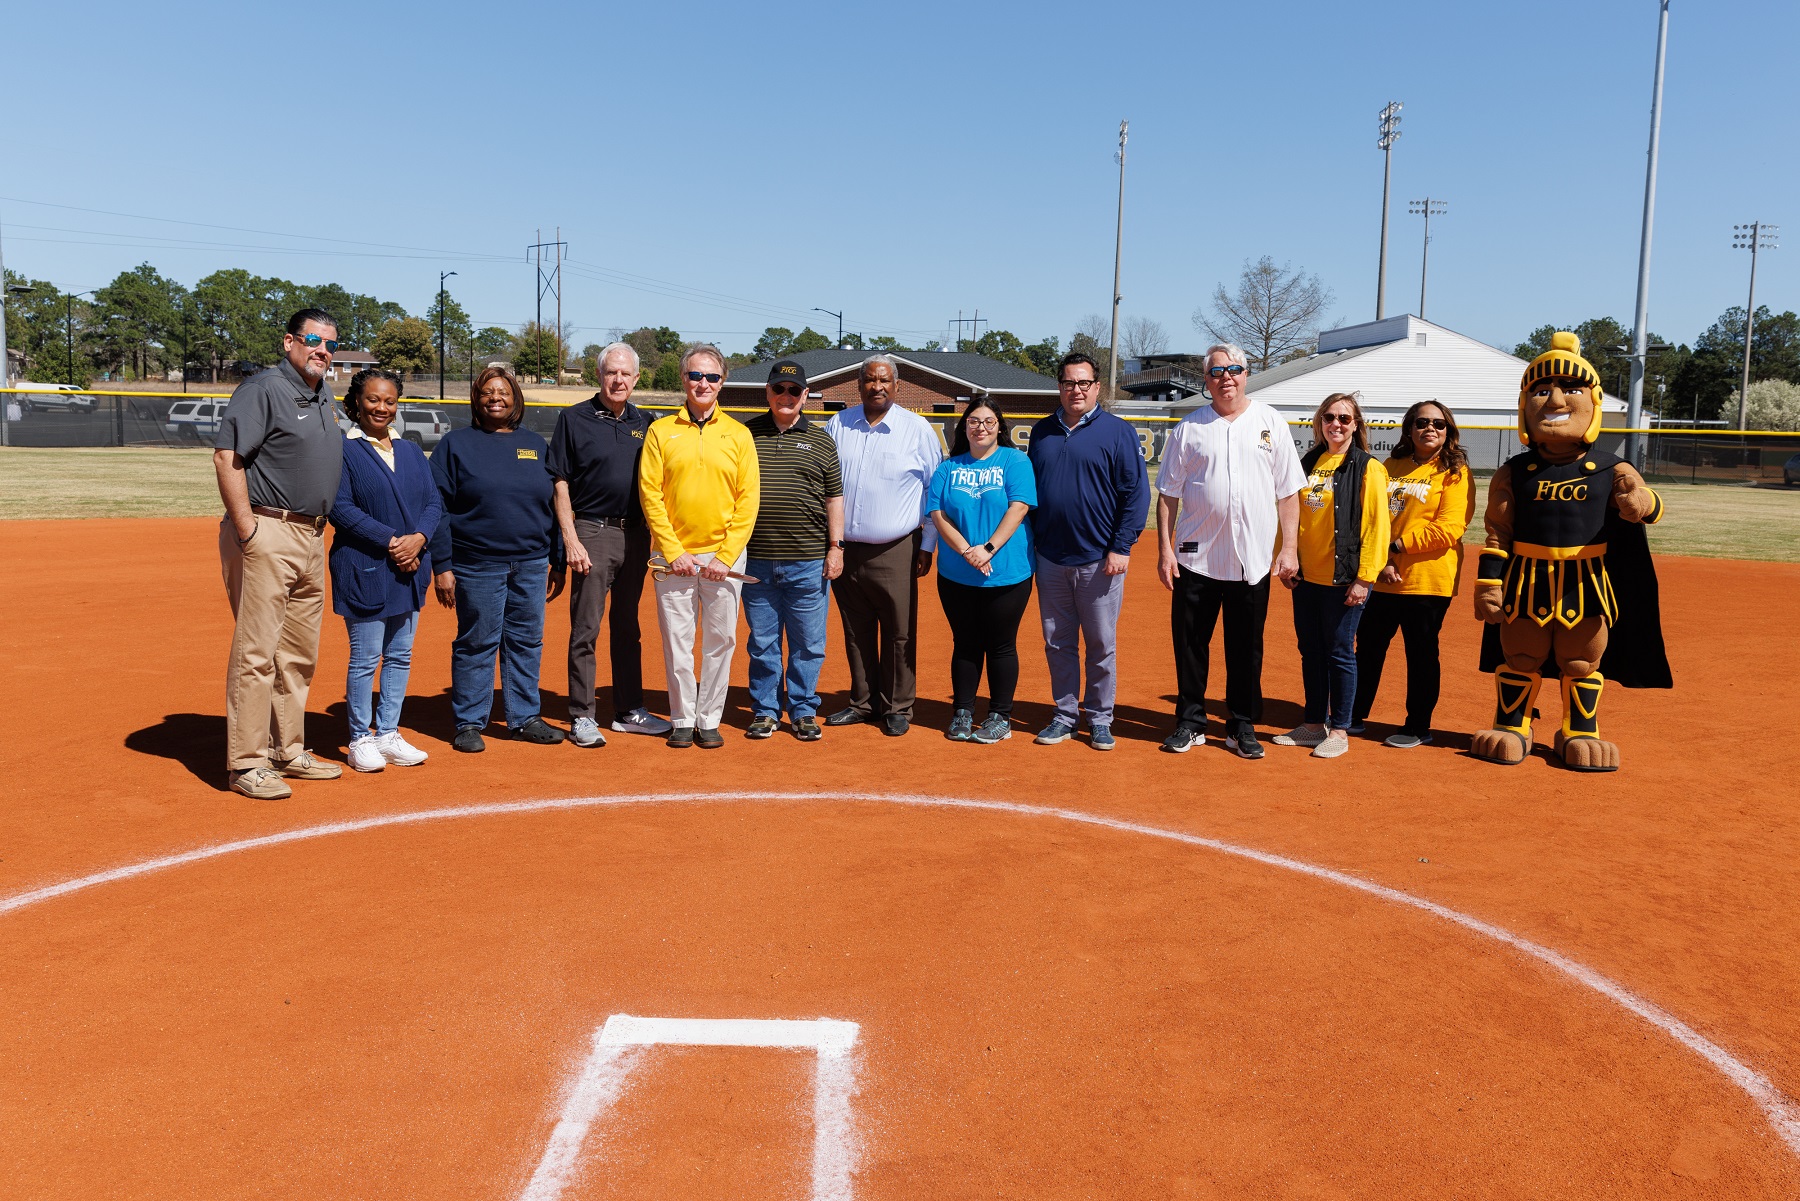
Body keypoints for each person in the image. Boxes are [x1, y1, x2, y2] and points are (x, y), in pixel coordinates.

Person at [212, 307, 346, 799]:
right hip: (269, 530)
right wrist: (249, 531)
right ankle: (245, 764)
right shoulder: (263, 389)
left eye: (330, 344)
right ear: (289, 340)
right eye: (313, 339)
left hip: (311, 536)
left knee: (297, 653)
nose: (322, 350)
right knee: (256, 653)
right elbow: (228, 459)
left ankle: (286, 750)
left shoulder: (320, 392)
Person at [1155, 343, 1305, 760]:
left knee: (1245, 648)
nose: (1227, 378)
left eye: (1234, 370)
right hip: (1195, 557)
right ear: (1206, 381)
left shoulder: (1270, 421)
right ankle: (1190, 722)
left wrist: (1288, 549)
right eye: (1217, 372)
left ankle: (1241, 725)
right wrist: (1165, 551)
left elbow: (1289, 492)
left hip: (1252, 560)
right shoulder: (1190, 427)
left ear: (1246, 374)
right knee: (1190, 645)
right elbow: (1167, 495)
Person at [428, 366, 566, 752]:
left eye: (503, 392)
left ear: (516, 398)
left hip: (532, 563)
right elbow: (436, 506)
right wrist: (443, 565)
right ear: (477, 398)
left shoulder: (535, 445)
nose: (495, 398)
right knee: (477, 642)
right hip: (477, 564)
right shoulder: (456, 445)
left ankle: (524, 718)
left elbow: (554, 503)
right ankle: (469, 722)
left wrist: (557, 558)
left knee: (526, 641)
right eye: (488, 392)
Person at [638, 344, 760, 748]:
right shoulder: (660, 431)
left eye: (711, 377)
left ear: (722, 382)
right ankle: (683, 719)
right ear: (683, 379)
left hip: (724, 556)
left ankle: (709, 718)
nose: (703, 383)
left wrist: (725, 557)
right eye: (695, 375)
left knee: (721, 640)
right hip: (673, 556)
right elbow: (650, 494)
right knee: (677, 641)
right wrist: (674, 551)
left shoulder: (738, 434)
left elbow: (748, 500)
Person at [548, 342, 670, 749]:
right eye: (611, 372)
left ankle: (628, 710)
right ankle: (582, 715)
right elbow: (559, 482)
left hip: (636, 534)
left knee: (627, 627)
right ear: (599, 375)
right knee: (586, 628)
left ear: (636, 379)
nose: (618, 380)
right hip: (592, 533)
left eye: (626, 374)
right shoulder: (574, 418)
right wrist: (570, 538)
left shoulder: (647, 422)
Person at [1026, 352, 1149, 751]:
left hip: (1100, 560)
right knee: (1057, 643)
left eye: (1083, 383)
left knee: (1100, 644)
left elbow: (1135, 494)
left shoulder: (1117, 432)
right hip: (1050, 559)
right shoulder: (1042, 433)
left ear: (1096, 387)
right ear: (1059, 386)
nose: (1075, 390)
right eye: (1068, 382)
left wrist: (1121, 546)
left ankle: (1099, 718)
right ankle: (1064, 716)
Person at [327, 368, 441, 772]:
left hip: (409, 568)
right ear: (356, 402)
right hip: (367, 566)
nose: (382, 407)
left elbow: (433, 504)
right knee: (365, 658)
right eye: (373, 399)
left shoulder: (410, 450)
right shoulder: (342, 449)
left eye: (389, 401)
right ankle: (360, 738)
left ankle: (388, 732)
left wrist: (419, 540)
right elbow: (340, 509)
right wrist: (394, 542)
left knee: (400, 655)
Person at [823, 354, 942, 737]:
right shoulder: (837, 425)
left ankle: (897, 706)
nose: (877, 386)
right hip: (845, 547)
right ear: (859, 384)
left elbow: (934, 490)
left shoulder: (916, 429)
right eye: (870, 380)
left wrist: (927, 544)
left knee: (898, 630)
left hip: (896, 546)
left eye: (885, 380)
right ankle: (862, 701)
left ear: (896, 386)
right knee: (856, 630)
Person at [1271, 393, 1391, 759]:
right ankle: (1311, 725)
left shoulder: (1369, 467)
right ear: (1319, 423)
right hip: (1306, 578)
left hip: (1343, 579)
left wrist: (1366, 578)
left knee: (1340, 652)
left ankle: (1338, 729)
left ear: (1356, 424)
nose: (1335, 424)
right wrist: (1285, 558)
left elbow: (1377, 527)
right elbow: (1289, 515)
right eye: (1328, 417)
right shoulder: (1306, 461)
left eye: (1343, 418)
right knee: (1311, 651)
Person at [1350, 400, 1474, 748]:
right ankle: (1352, 716)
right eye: (1421, 422)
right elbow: (1374, 517)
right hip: (1383, 577)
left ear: (1448, 430)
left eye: (1438, 423)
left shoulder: (1454, 471)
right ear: (1409, 428)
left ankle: (1418, 727)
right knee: (1369, 650)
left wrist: (1395, 550)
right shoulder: (1392, 465)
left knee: (1421, 654)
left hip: (1428, 580)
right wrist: (1384, 560)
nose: (1429, 428)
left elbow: (1449, 528)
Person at [741, 359, 844, 741]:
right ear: (767, 392)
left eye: (794, 390)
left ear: (805, 396)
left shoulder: (821, 440)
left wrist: (836, 546)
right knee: (763, 642)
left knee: (808, 642)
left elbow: (835, 497)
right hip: (756, 558)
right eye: (778, 389)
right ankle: (766, 710)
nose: (786, 396)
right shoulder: (745, 435)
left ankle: (802, 709)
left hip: (808, 560)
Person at [928, 399, 1037, 743]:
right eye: (974, 421)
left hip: (1007, 572)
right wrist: (967, 552)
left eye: (989, 422)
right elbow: (938, 514)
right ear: (964, 427)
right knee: (965, 643)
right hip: (957, 572)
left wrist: (988, 549)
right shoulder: (948, 467)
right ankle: (962, 711)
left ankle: (1000, 715)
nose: (981, 428)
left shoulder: (1015, 460)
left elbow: (1019, 508)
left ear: (1000, 427)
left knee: (1001, 644)